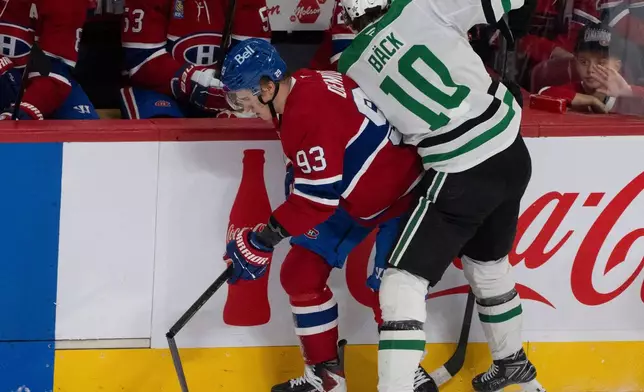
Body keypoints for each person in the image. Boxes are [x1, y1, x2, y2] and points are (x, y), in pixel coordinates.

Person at [337, 0, 544, 391]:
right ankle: (513, 368)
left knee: (402, 280)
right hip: (511, 154)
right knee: (488, 264)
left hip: (460, 170)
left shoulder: (350, 65)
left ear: (349, 16)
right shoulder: (420, 6)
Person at [220, 38, 440, 392]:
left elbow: (315, 202)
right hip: (351, 195)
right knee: (300, 274)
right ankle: (326, 377)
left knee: (392, 295)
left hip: (402, 197)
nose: (248, 109)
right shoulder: (304, 83)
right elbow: (319, 183)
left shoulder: (306, 114)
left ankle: (409, 375)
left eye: (247, 100)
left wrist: (262, 242)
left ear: (266, 86)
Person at [119, 0, 271, 119]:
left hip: (227, 94)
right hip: (164, 92)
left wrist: (239, 94)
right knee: (161, 130)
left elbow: (256, 58)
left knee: (248, 124)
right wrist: (191, 79)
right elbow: (142, 61)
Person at [0, 0, 99, 120]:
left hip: (46, 81)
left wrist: (24, 112)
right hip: (6, 78)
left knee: (85, 132)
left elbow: (54, 71)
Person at [539, 23, 644, 115]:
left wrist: (629, 91)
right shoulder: (572, 90)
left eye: (601, 63)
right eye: (584, 62)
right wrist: (589, 100)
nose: (590, 70)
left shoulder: (627, 97)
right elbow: (543, 93)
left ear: (617, 66)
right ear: (576, 62)